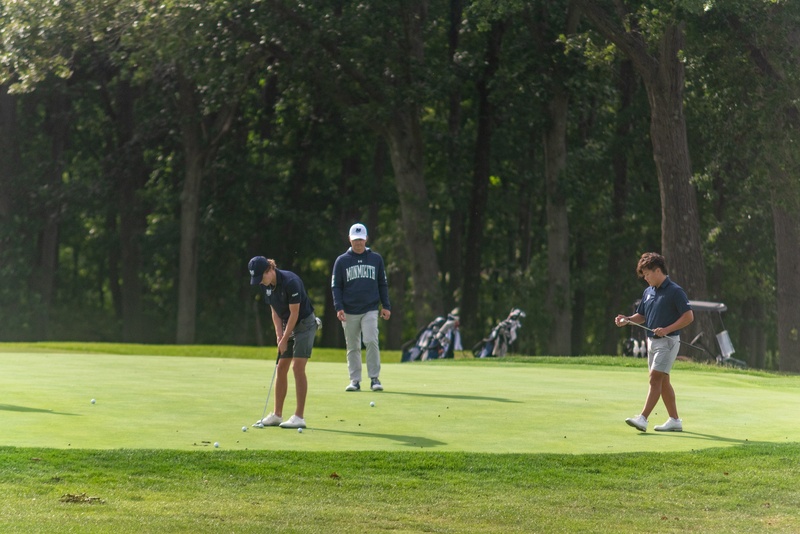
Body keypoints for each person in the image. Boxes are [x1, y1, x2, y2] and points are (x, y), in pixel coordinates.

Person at [615, 252, 694, 433]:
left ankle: (643, 418)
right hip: (652, 342)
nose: (645, 278)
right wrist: (627, 320)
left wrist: (667, 329)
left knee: (654, 378)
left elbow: (689, 316)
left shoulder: (675, 291)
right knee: (663, 381)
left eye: (647, 274)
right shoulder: (648, 291)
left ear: (658, 270)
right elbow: (642, 315)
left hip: (668, 342)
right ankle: (675, 420)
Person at [249, 256, 318, 429]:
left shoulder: (290, 282)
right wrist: (279, 336)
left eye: (261, 277)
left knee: (297, 367)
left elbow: (295, 313)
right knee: (281, 367)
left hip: (305, 325)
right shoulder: (266, 286)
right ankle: (277, 415)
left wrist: (285, 338)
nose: (260, 282)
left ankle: (299, 417)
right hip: (288, 325)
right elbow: (275, 312)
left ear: (269, 270)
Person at [331, 223, 391, 392]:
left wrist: (386, 305)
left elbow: (382, 284)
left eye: (361, 239)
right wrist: (338, 307)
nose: (358, 242)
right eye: (355, 239)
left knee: (371, 340)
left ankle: (374, 378)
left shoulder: (376, 259)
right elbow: (336, 286)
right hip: (348, 310)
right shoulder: (341, 261)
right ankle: (355, 380)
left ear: (366, 239)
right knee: (353, 346)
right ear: (350, 239)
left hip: (370, 308)